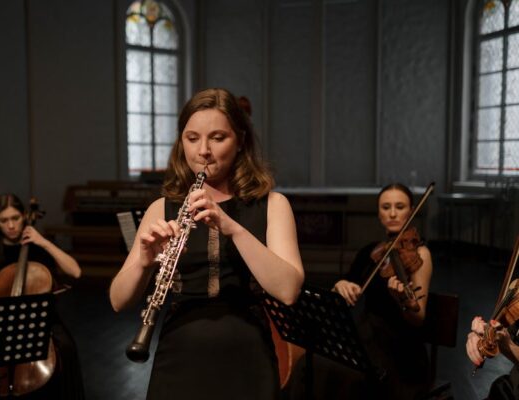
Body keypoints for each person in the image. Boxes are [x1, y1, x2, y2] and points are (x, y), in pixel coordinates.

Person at [109, 87, 305, 400]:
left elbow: (288, 289)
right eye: (192, 138)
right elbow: (118, 301)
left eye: (217, 137)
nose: (203, 150)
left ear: (240, 140)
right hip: (180, 356)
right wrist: (145, 260)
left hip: (247, 356)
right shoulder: (161, 208)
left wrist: (232, 228)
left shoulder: (273, 205)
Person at [0, 193, 85, 400]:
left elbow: (75, 272)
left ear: (25, 217)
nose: (10, 225)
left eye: (15, 218)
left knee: (66, 349)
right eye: (4, 220)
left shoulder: (38, 248)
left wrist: (43, 242)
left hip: (40, 324)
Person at [328, 183, 433, 399]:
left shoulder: (420, 253)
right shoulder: (371, 252)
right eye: (386, 207)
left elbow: (418, 317)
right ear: (379, 213)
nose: (393, 213)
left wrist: (403, 301)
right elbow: (344, 290)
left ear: (411, 211)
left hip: (401, 353)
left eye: (400, 206)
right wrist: (340, 285)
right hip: (368, 340)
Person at [466, 302, 519, 399]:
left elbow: (506, 341)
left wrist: (507, 346)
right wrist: (485, 333)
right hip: (511, 386)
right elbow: (506, 330)